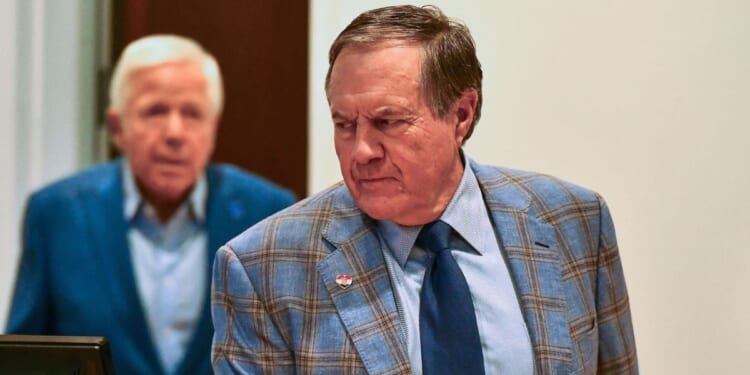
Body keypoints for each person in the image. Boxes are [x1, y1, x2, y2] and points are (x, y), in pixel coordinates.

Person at [211, 5, 637, 375]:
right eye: (344, 124)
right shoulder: (263, 266)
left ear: (461, 115)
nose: (361, 150)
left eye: (388, 121)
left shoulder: (574, 220)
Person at [6, 34, 296, 375]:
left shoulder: (269, 213)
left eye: (192, 113)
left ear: (212, 129)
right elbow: (22, 361)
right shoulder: (57, 214)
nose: (175, 132)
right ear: (118, 127)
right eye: (155, 112)